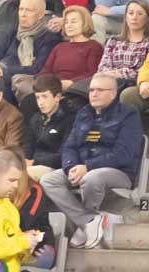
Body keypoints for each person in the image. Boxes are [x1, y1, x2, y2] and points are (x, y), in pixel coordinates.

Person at [43, 71, 141, 248]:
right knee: (49, 180)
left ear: (113, 93)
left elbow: (124, 153)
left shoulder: (128, 115)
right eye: (91, 90)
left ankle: (86, 225)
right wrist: (71, 166)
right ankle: (89, 221)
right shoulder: (83, 113)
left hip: (119, 172)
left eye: (99, 90)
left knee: (92, 177)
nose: (94, 94)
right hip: (83, 167)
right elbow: (70, 146)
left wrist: (88, 166)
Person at [41, 6, 103, 97]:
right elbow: (46, 70)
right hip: (54, 88)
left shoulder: (94, 46)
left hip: (77, 90)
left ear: (85, 23)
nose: (69, 25)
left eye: (73, 22)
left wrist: (72, 82)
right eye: (66, 22)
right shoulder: (59, 47)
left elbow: (92, 73)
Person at [25, 74, 77, 181]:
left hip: (57, 168)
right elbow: (28, 147)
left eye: (45, 96)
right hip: (34, 164)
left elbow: (64, 155)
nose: (40, 102)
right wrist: (25, 160)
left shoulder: (70, 118)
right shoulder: (36, 118)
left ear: (57, 97)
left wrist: (35, 160)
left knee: (21, 175)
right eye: (37, 97)